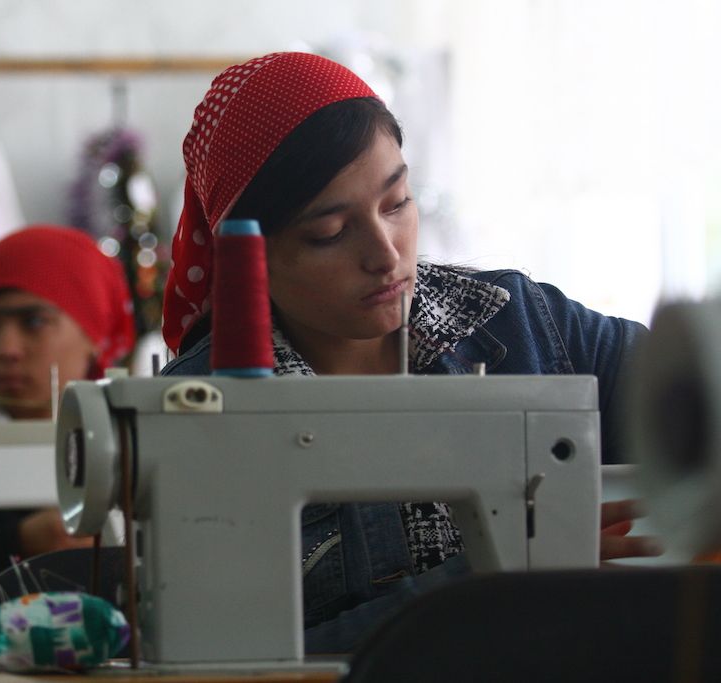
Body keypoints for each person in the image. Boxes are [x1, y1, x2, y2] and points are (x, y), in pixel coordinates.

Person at [159, 51, 662, 652]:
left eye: (397, 202)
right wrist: (486, 586)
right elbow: (223, 664)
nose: (386, 252)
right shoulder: (201, 417)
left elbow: (688, 390)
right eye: (329, 233)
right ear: (247, 258)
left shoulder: (520, 321)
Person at [0, 225, 135, 566]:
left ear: (94, 334)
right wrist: (15, 540)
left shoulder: (135, 442)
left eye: (33, 322)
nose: (6, 349)